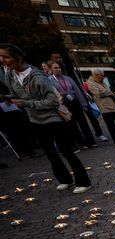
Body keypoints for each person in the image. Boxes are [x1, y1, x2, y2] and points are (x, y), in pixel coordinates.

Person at [0, 43, 91, 193]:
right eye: (0, 57)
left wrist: (25, 103)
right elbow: (16, 92)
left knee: (66, 150)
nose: (2, 60)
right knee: (50, 152)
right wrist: (11, 98)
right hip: (35, 119)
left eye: (6, 57)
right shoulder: (10, 74)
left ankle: (83, 181)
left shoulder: (38, 77)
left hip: (53, 118)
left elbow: (53, 101)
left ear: (18, 58)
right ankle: (65, 179)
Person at [47, 60, 97, 149]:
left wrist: (83, 104)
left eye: (59, 67)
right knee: (72, 125)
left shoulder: (68, 78)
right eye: (55, 68)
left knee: (83, 123)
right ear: (51, 70)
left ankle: (91, 142)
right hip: (64, 104)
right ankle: (81, 144)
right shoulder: (49, 80)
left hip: (75, 102)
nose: (58, 69)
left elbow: (77, 91)